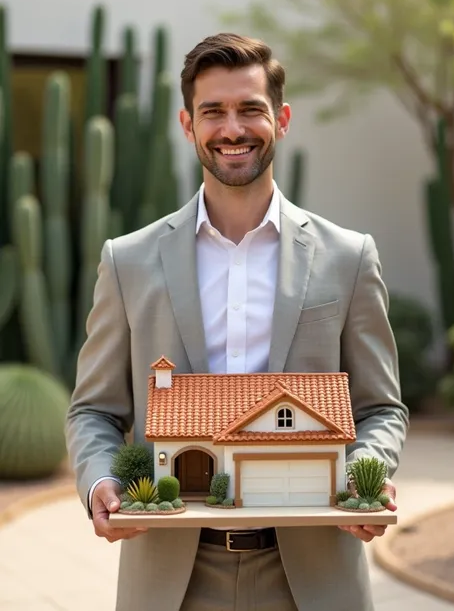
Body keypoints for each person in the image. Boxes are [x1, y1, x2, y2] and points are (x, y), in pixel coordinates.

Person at [66, 32, 409, 611]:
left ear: (282, 119)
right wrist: (101, 483)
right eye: (213, 112)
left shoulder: (349, 257)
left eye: (251, 109)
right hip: (171, 577)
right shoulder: (128, 260)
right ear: (186, 123)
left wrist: (363, 475)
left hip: (314, 576)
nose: (232, 129)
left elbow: (380, 408)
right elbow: (95, 409)